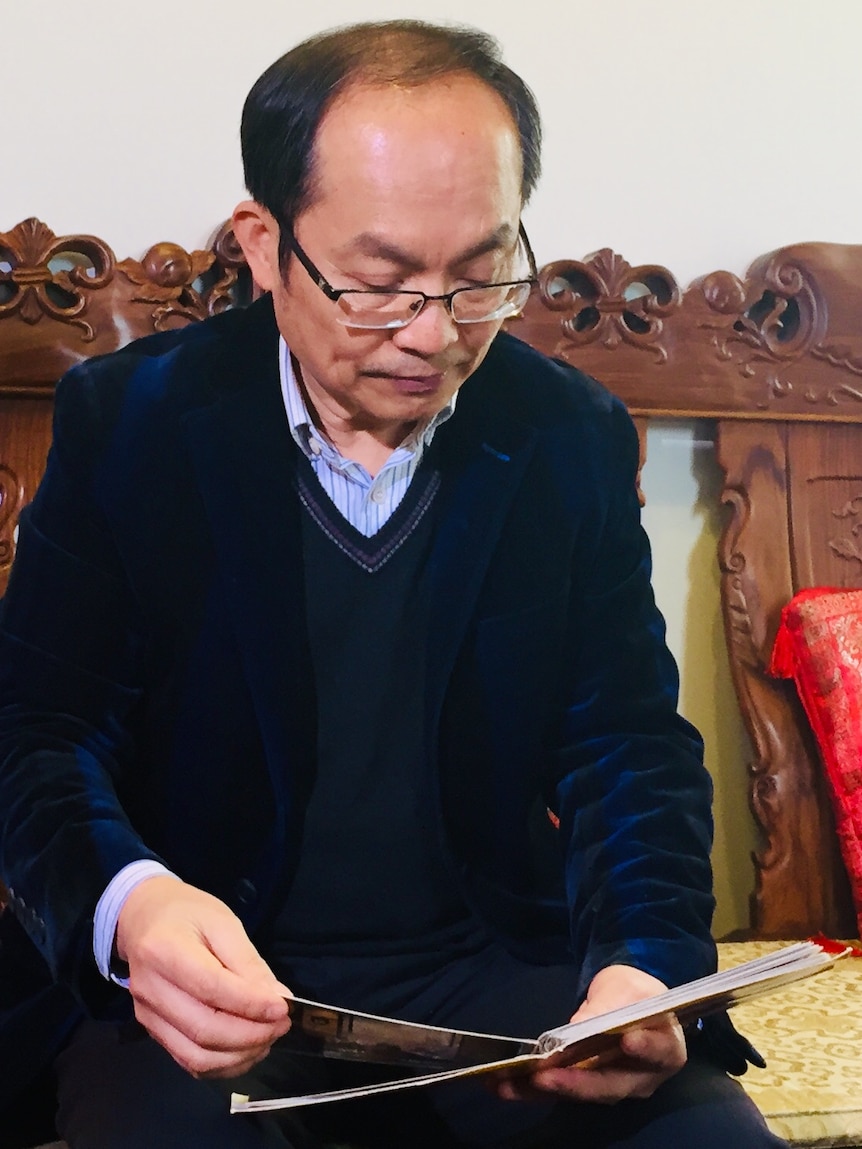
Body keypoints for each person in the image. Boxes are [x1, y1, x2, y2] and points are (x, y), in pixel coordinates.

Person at [0, 19, 785, 1149]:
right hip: (205, 990)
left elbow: (624, 743)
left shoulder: (564, 433)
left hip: (488, 978)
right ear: (264, 245)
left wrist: (644, 968)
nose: (432, 333)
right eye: (378, 283)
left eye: (479, 278)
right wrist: (134, 908)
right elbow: (38, 733)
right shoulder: (136, 424)